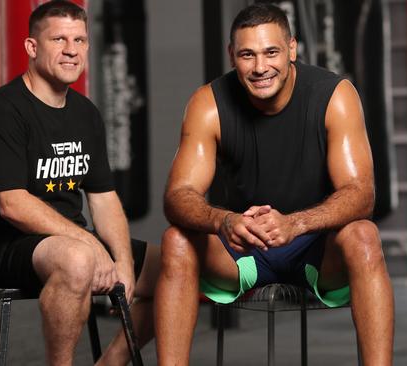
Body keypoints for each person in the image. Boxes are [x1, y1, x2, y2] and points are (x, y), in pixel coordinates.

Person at [155, 3, 394, 365]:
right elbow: (177, 197)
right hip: (243, 249)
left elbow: (362, 195)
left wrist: (295, 223)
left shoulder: (334, 95)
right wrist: (224, 221)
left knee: (364, 235)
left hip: (315, 248)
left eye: (271, 52)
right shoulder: (208, 103)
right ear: (232, 55)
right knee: (175, 241)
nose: (260, 67)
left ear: (292, 49)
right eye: (248, 55)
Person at [0, 1, 159, 365]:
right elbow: (13, 205)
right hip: (4, 244)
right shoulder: (1, 111)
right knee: (79, 259)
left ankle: (110, 363)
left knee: (177, 266)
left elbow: (103, 198)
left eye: (80, 40)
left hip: (68, 240)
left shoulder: (85, 113)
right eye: (59, 39)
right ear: (32, 47)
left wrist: (124, 262)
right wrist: (91, 246)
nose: (72, 50)